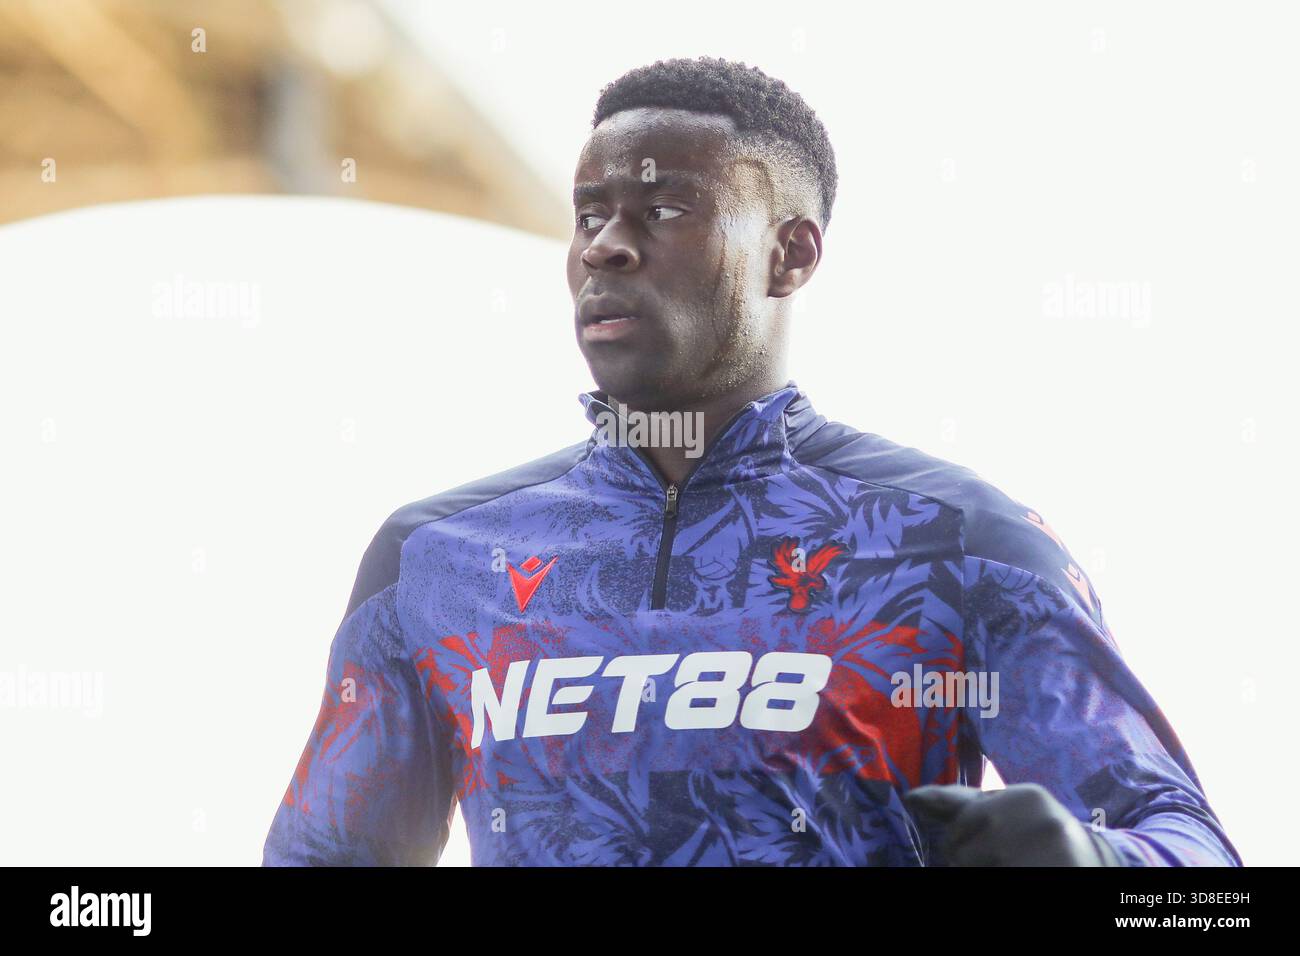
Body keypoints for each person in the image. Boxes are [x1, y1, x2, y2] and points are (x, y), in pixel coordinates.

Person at [262, 57, 1239, 866]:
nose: (605, 245)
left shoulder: (960, 541)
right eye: (589, 211)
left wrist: (1098, 862)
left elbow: (1200, 869)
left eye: (664, 211)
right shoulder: (433, 557)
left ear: (791, 254)